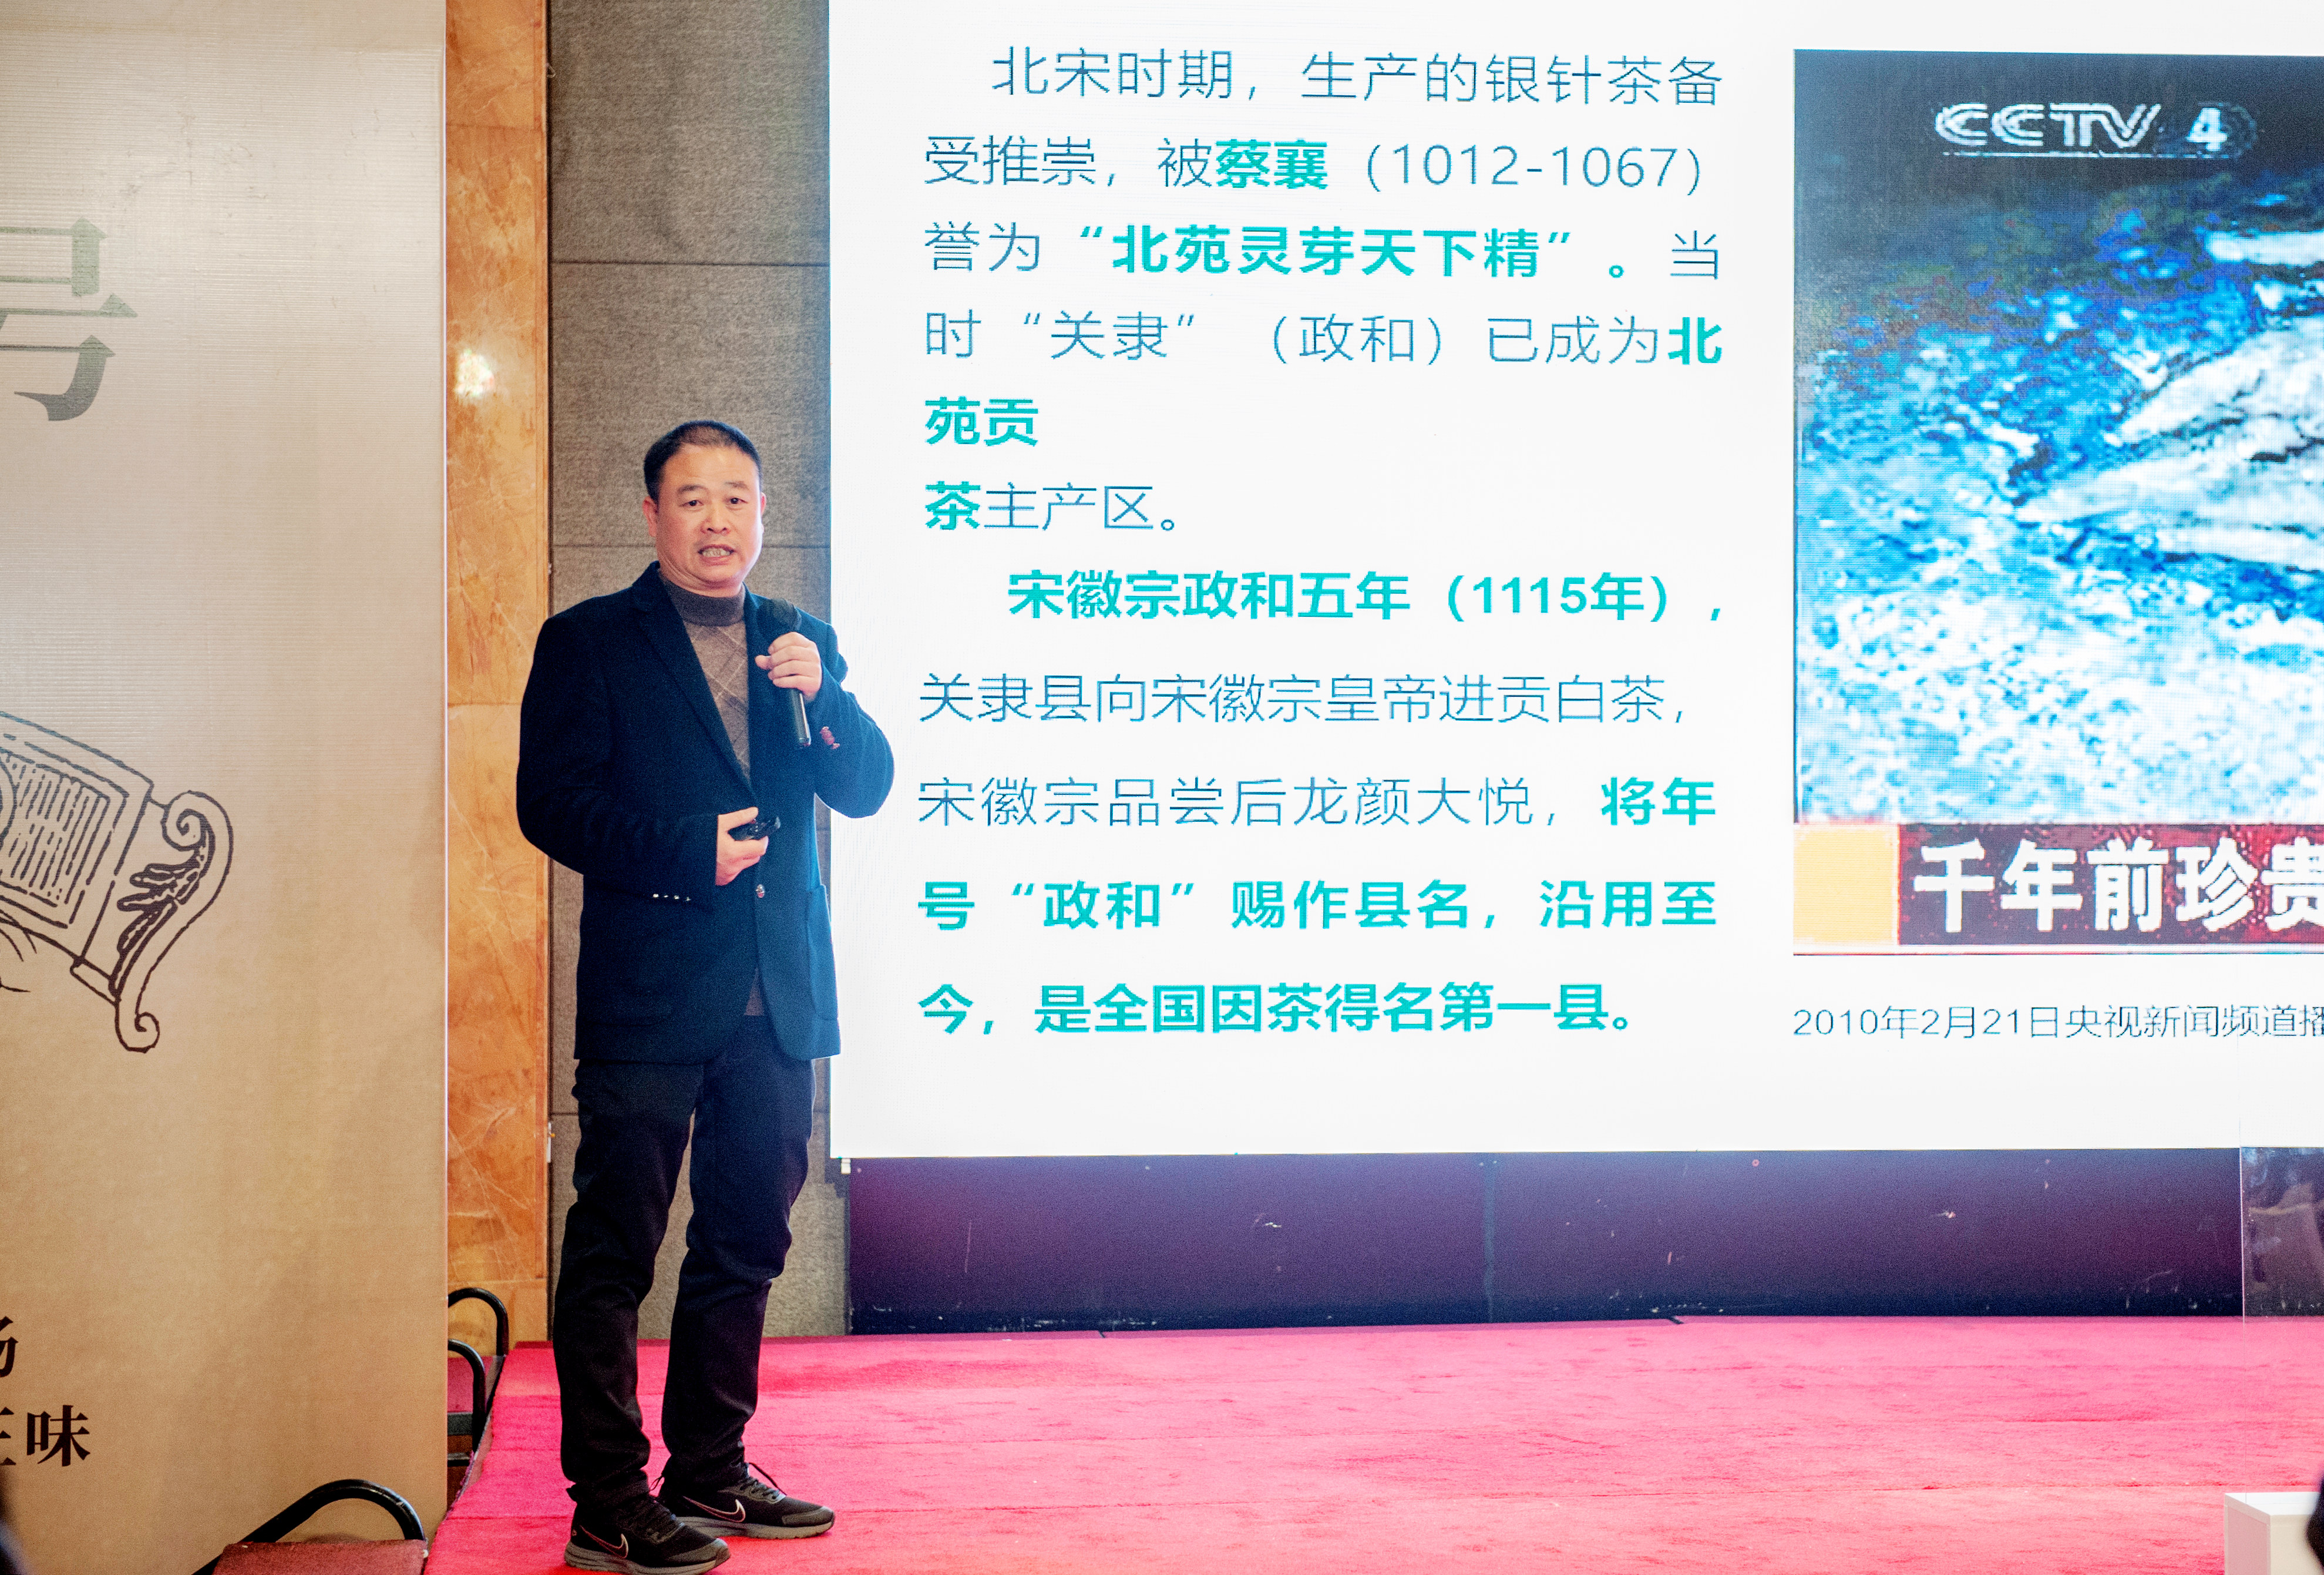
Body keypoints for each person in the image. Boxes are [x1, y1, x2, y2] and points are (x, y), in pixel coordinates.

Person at [518, 420, 893, 1574]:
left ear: (763, 515)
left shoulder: (798, 640)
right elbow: (551, 805)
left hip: (776, 1000)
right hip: (650, 997)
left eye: (737, 498)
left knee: (745, 1242)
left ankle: (709, 1469)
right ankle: (606, 1498)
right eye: (692, 499)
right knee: (615, 1250)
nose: (716, 520)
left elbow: (865, 787)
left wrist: (827, 700)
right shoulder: (589, 642)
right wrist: (687, 851)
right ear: (652, 515)